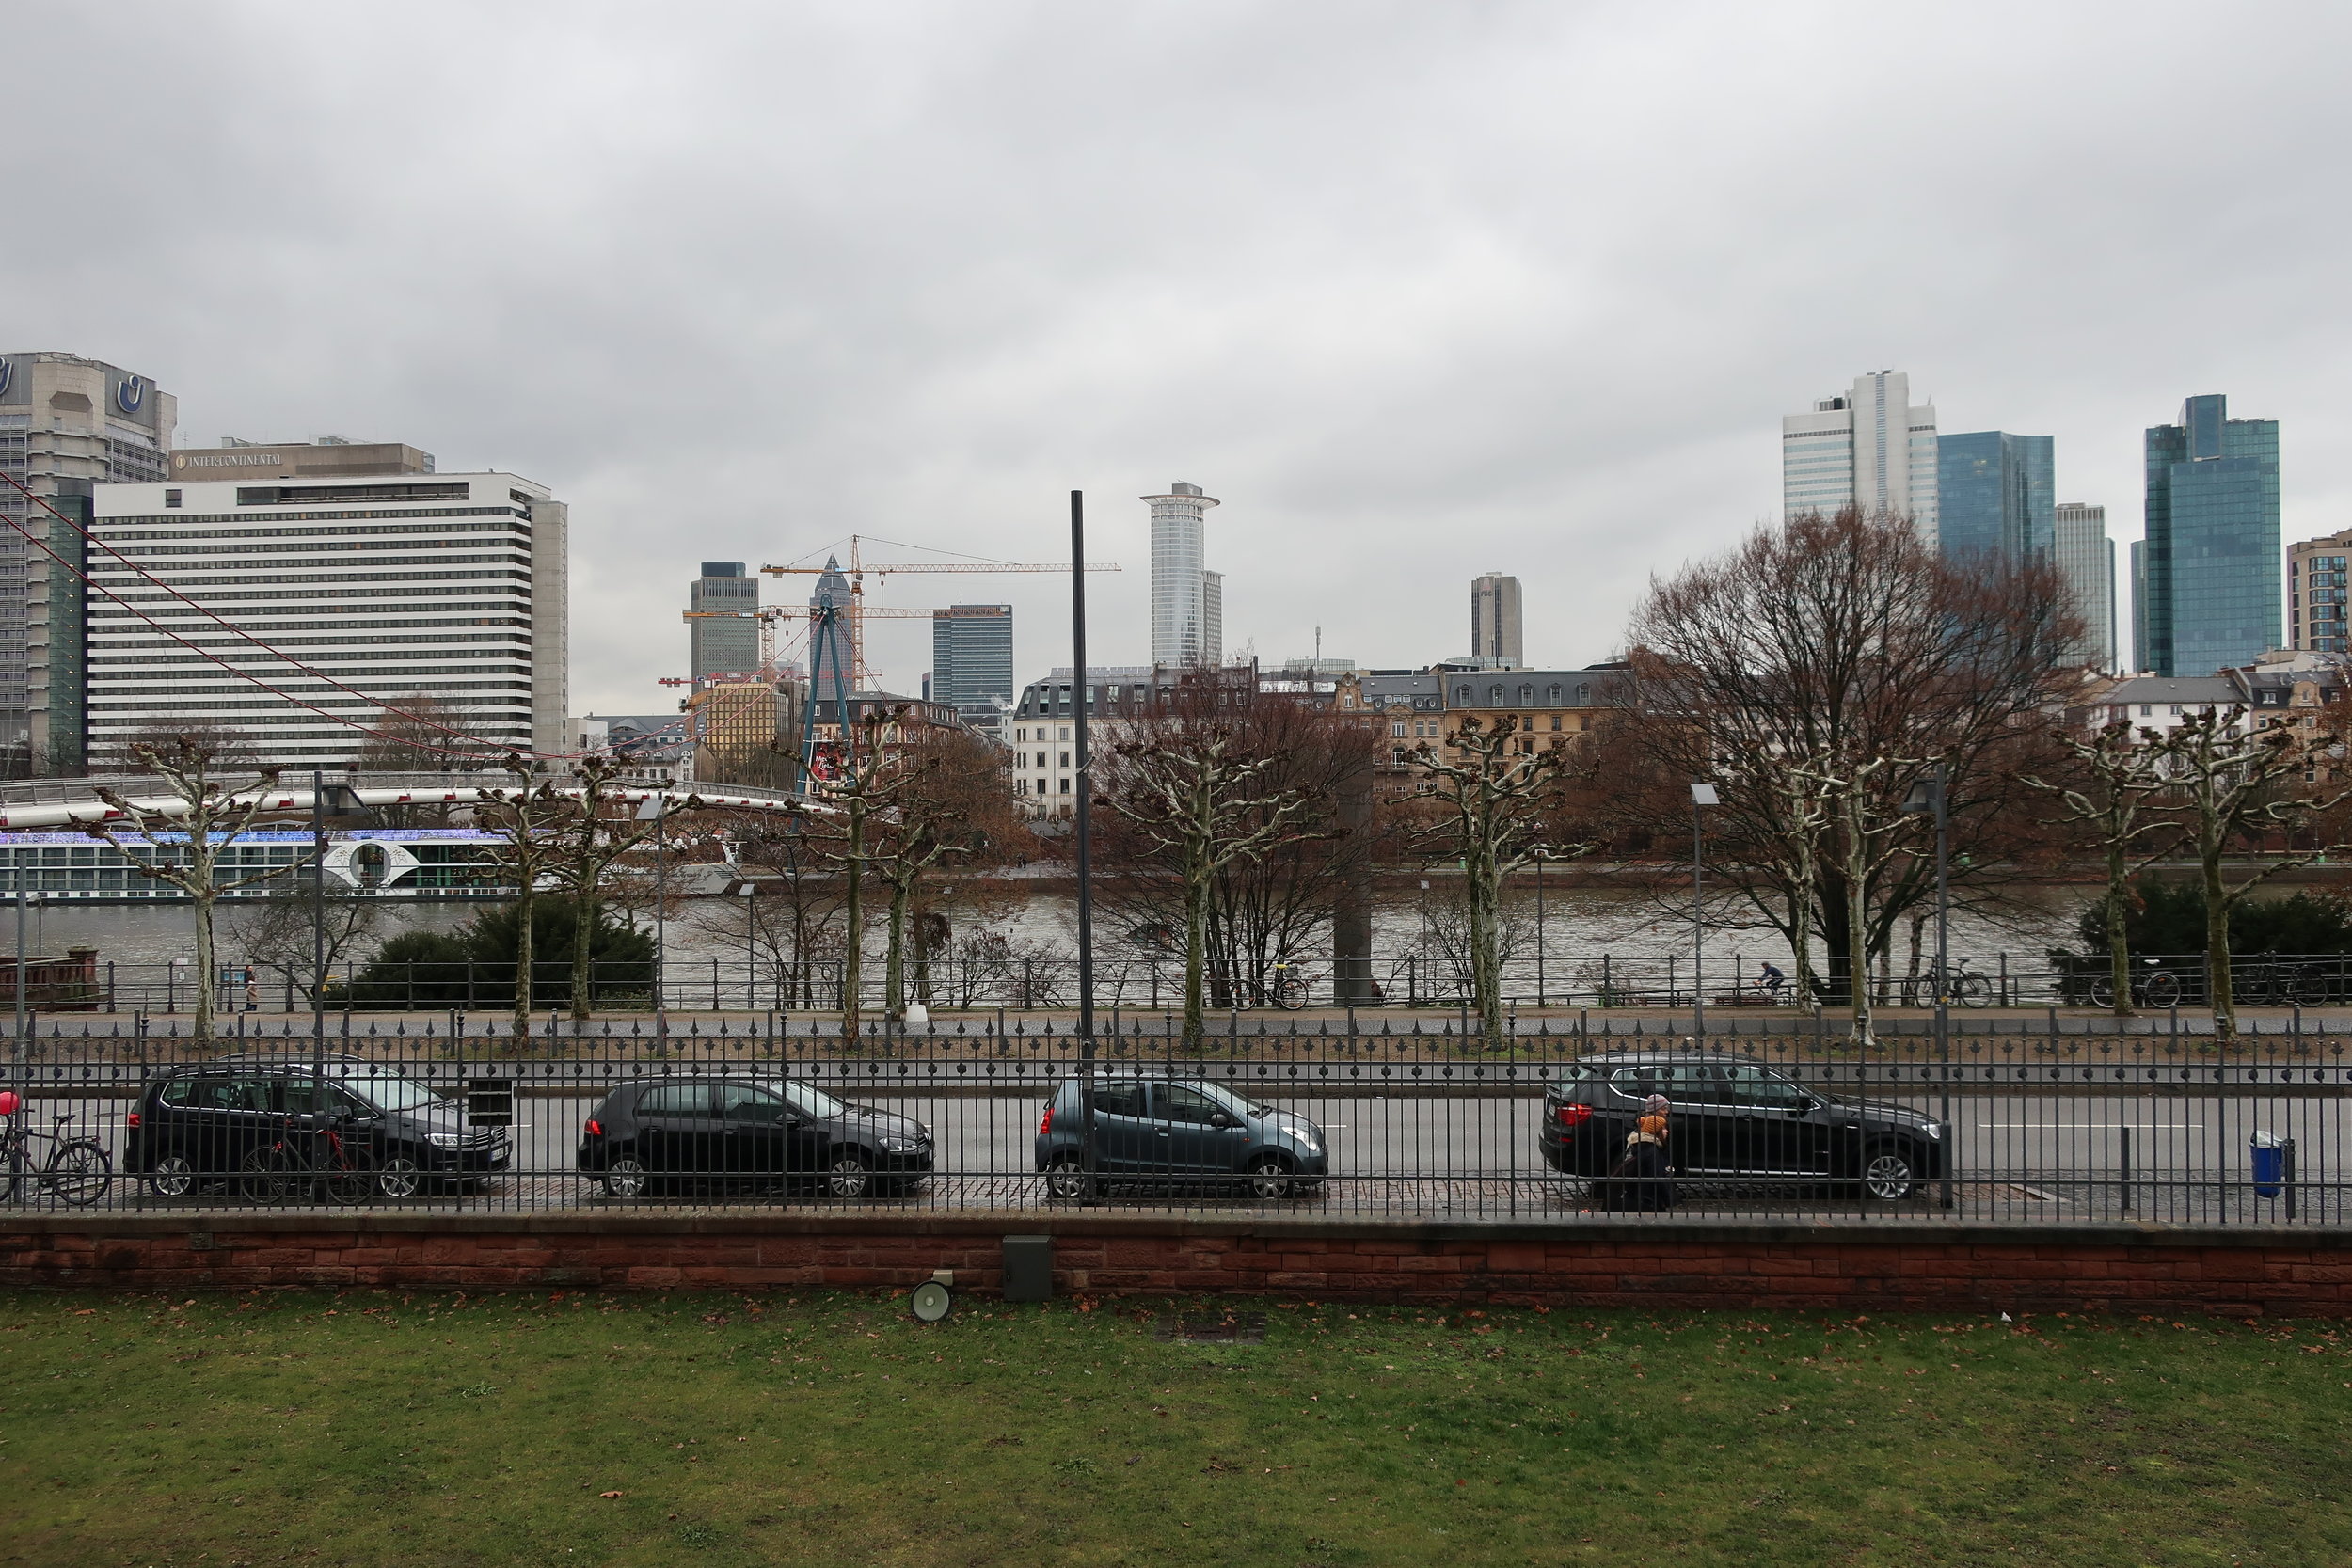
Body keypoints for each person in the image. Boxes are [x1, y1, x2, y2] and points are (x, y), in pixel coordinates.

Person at [1601, 1093, 1676, 1212]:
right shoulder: (1649, 1142)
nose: (1666, 1112)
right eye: (1663, 1108)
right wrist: (1668, 1200)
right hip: (1644, 1198)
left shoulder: (1647, 1139)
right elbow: (1654, 1176)